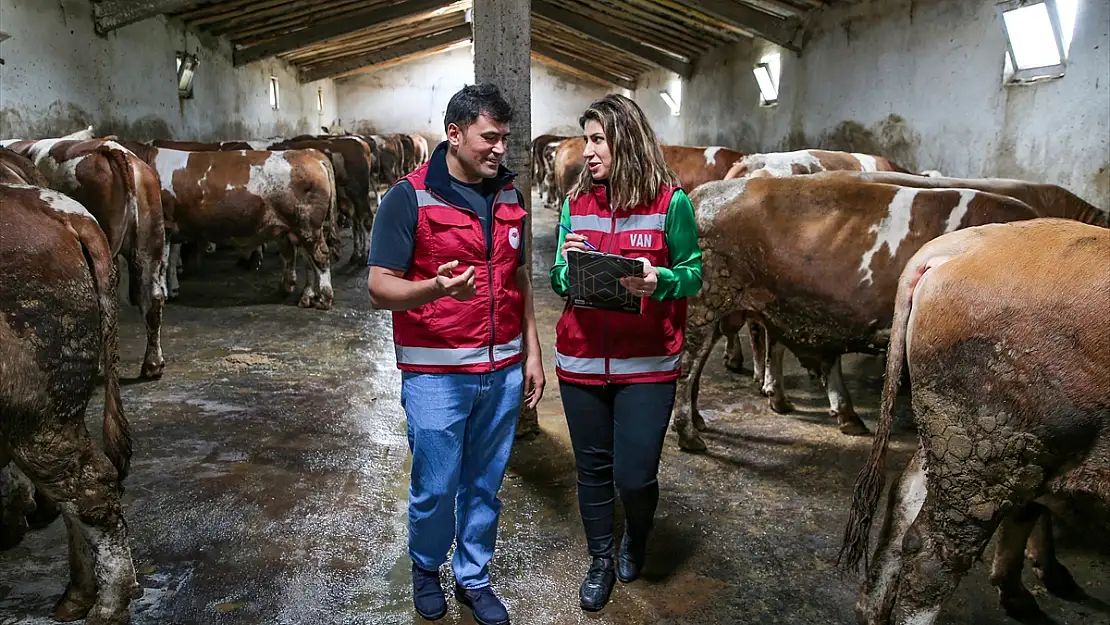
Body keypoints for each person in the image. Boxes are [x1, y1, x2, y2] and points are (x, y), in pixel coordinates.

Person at [367, 83, 545, 625]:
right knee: (435, 485)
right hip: (437, 372)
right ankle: (426, 567)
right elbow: (378, 288)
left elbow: (518, 280)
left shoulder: (511, 195)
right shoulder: (408, 197)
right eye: (489, 138)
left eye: (505, 139)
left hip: (503, 368)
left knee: (486, 483)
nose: (499, 150)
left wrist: (533, 352)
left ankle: (473, 574)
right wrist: (436, 290)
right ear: (454, 133)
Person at [549, 94, 703, 612]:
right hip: (582, 360)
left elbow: (694, 274)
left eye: (598, 140)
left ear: (627, 140)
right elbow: (556, 277)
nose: (587, 151)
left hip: (647, 367)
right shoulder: (575, 204)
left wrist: (660, 280)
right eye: (586, 139)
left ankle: (636, 534)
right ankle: (599, 559)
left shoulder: (670, 203)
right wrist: (570, 268)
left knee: (634, 474)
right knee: (591, 470)